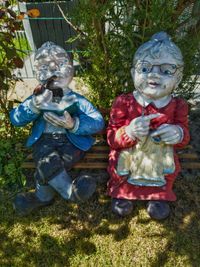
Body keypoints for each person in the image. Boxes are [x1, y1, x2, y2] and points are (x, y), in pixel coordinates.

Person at [10, 41, 105, 216]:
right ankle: (70, 192)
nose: (53, 71)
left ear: (71, 69)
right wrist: (34, 106)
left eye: (61, 64)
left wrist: (74, 124)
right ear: (37, 72)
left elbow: (98, 121)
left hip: (72, 142)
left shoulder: (77, 100)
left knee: (47, 164)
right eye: (45, 66)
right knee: (46, 158)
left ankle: (42, 196)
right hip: (44, 142)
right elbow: (15, 118)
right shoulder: (37, 98)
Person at [107, 32, 190, 220]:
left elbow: (184, 135)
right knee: (121, 164)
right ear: (132, 73)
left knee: (165, 171)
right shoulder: (123, 102)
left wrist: (177, 133)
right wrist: (128, 131)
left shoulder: (178, 105)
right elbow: (112, 136)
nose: (153, 75)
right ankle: (123, 194)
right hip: (130, 156)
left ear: (177, 79)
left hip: (159, 159)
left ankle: (157, 196)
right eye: (144, 69)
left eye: (166, 71)